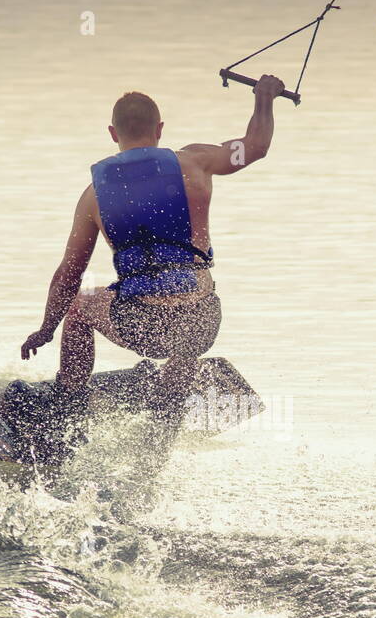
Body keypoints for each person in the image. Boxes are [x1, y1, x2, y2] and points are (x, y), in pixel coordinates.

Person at [20, 75, 285, 426]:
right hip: (202, 323)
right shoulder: (197, 162)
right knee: (189, 308)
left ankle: (67, 407)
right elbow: (255, 146)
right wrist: (264, 97)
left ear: (113, 134)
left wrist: (46, 329)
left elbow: (67, 275)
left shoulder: (93, 196)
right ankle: (168, 406)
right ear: (159, 129)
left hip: (141, 325)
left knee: (80, 307)